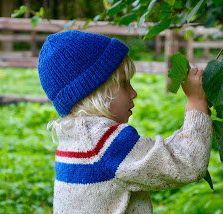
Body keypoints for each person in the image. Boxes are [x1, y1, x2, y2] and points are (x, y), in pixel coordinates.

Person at [38, 30, 212, 214]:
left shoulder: (74, 139)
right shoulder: (104, 144)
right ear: (94, 92)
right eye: (123, 83)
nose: (133, 93)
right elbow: (187, 163)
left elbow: (159, 154)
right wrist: (196, 102)